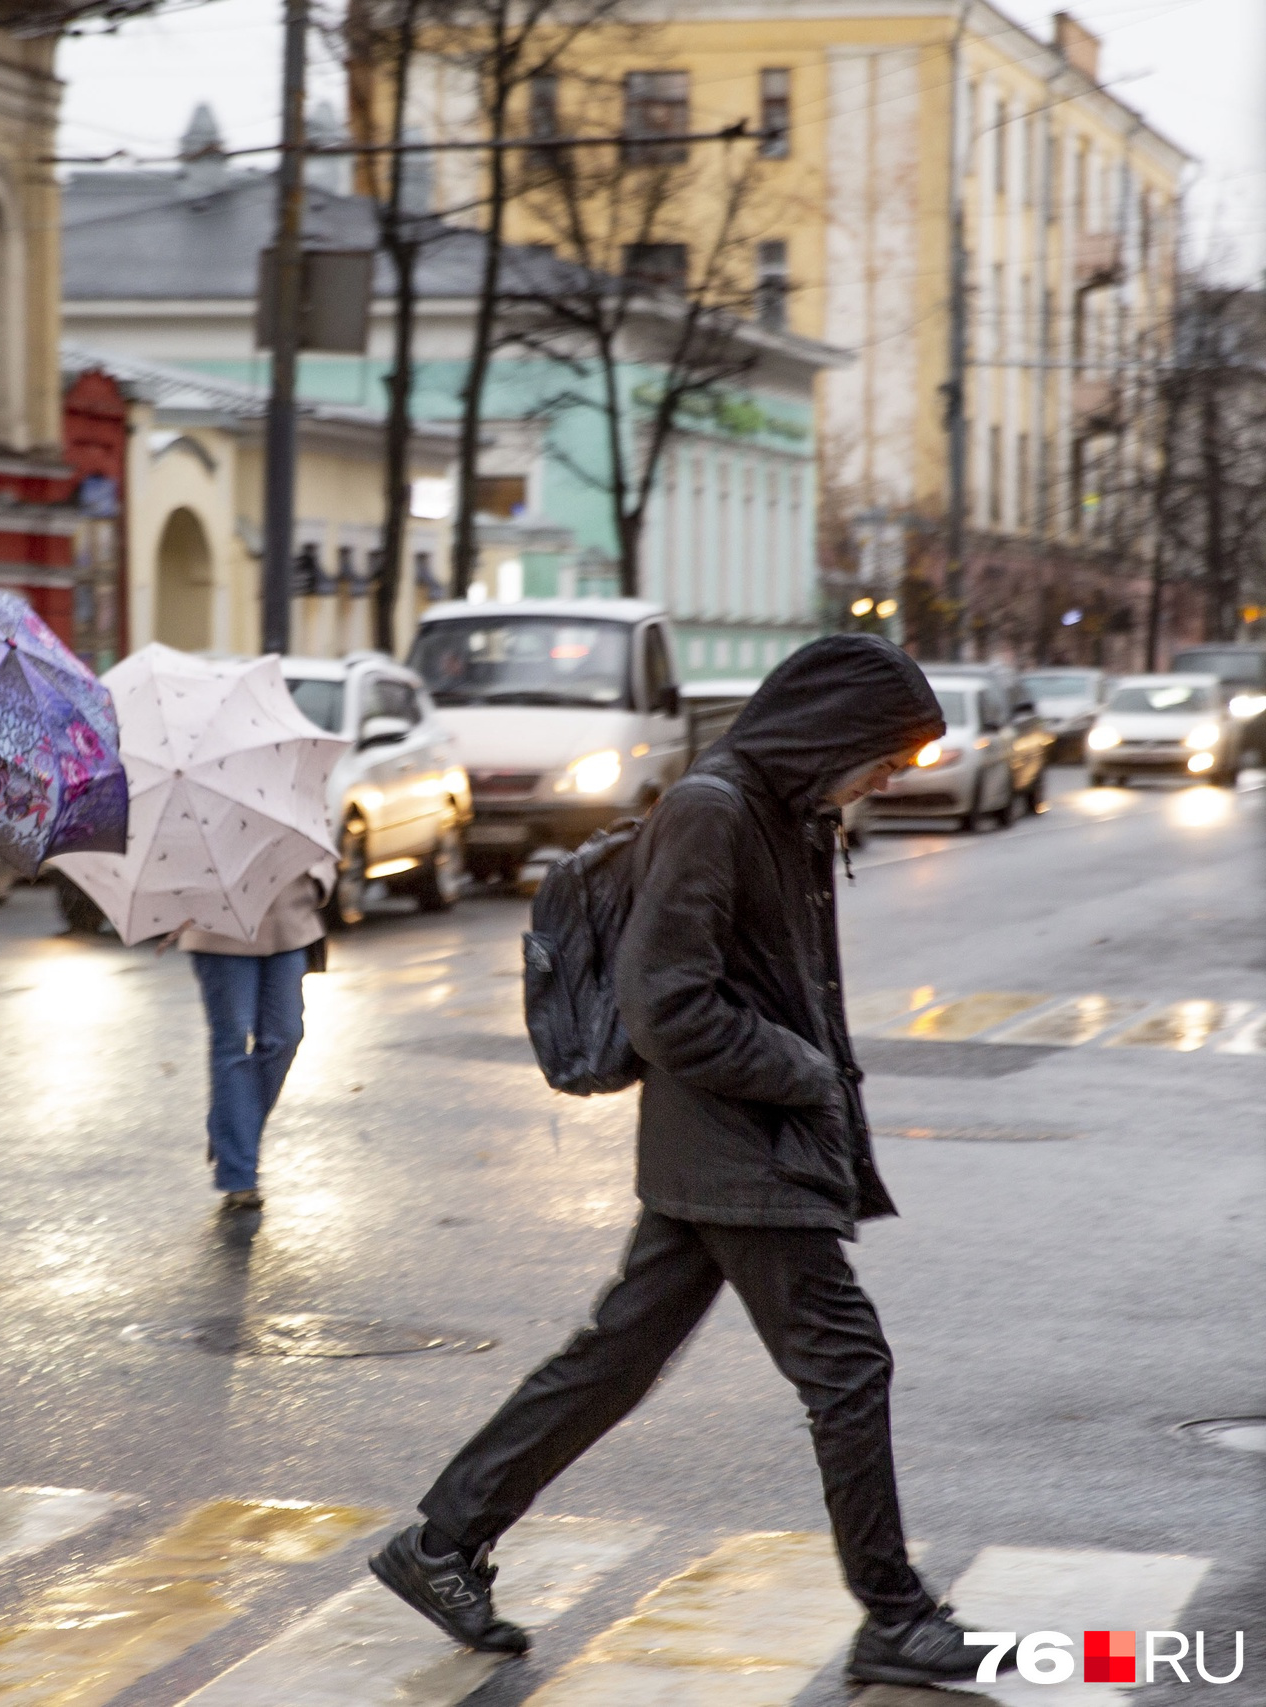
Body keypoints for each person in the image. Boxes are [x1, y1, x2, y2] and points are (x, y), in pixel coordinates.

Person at [368, 635, 991, 1692]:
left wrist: (808, 1077)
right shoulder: (714, 810)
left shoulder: (785, 811)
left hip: (734, 1139)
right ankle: (891, 1615)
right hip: (736, 1141)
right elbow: (667, 1007)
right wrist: (801, 1073)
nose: (892, 777)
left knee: (612, 1357)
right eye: (886, 755)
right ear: (832, 733)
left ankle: (439, 1544)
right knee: (846, 1365)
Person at [182, 863, 333, 1213]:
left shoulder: (292, 803)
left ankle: (230, 1124)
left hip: (289, 920)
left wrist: (318, 880)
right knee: (232, 1041)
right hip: (218, 927)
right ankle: (238, 1177)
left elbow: (319, 840)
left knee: (286, 1036)